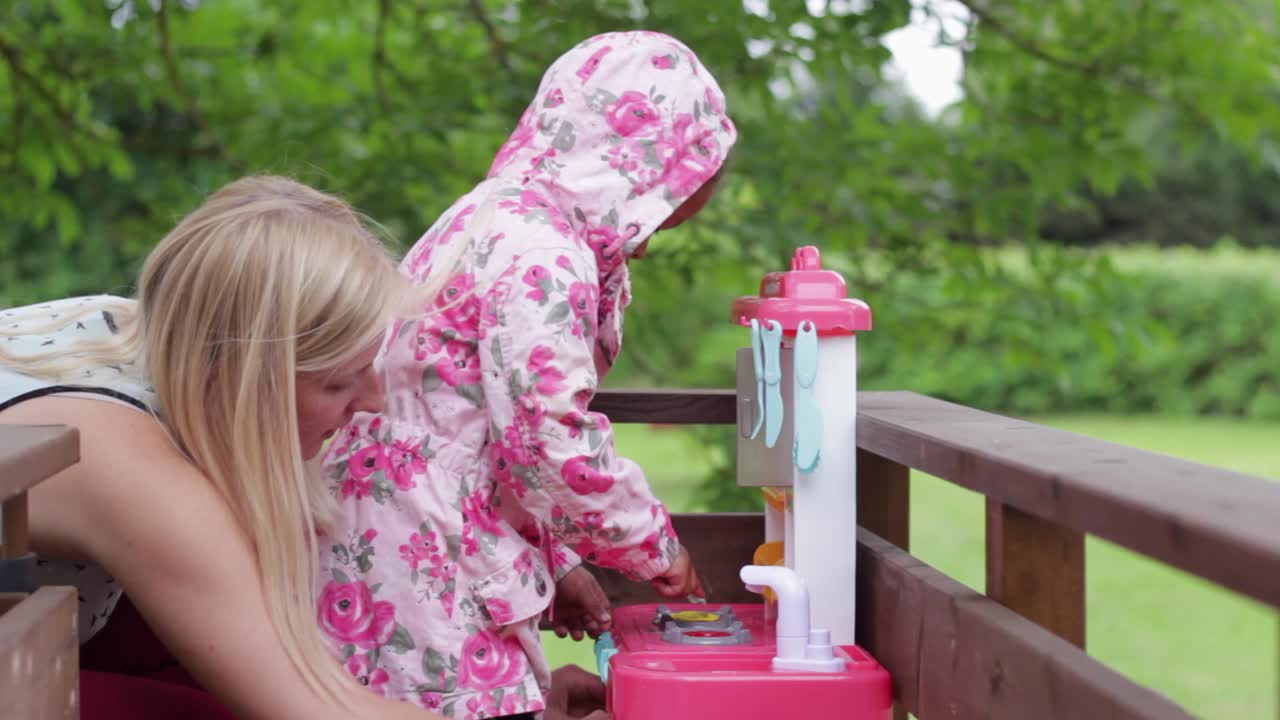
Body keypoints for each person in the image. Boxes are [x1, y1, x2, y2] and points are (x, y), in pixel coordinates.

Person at [0, 175, 607, 720]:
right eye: (340, 382)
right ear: (241, 376)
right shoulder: (131, 473)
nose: (373, 401)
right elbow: (316, 710)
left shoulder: (144, 335)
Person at [320, 31, 737, 718]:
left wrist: (561, 562)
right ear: (620, 168)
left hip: (401, 521)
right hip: (427, 547)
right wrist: (653, 545)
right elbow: (548, 436)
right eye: (653, 215)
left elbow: (480, 422)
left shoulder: (490, 215)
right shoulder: (543, 253)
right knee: (451, 704)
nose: (643, 240)